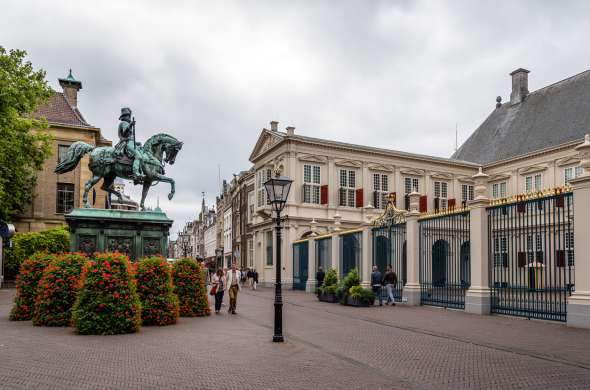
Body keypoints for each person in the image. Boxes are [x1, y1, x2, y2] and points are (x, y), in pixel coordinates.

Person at [114, 107, 144, 181]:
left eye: (129, 116)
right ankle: (136, 173)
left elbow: (130, 138)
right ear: (125, 116)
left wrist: (137, 143)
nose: (129, 117)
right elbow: (124, 133)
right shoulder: (124, 123)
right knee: (138, 156)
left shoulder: (126, 123)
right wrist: (130, 125)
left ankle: (140, 171)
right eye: (128, 116)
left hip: (130, 142)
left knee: (142, 155)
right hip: (126, 143)